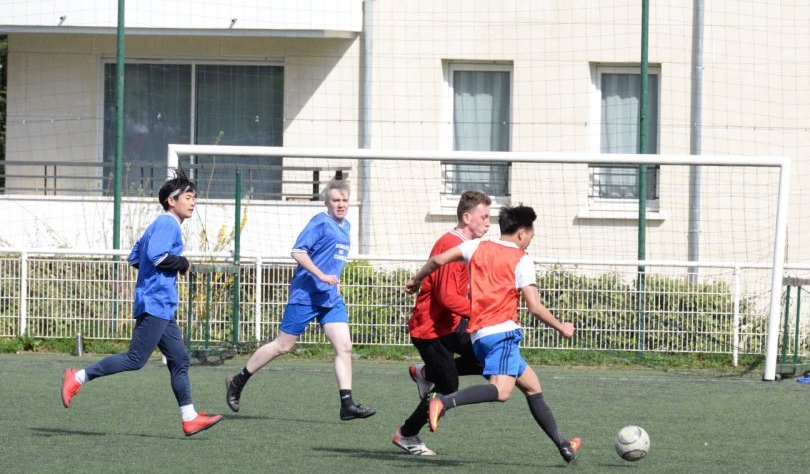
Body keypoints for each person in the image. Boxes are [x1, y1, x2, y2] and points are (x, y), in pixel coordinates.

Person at [403, 204, 581, 463]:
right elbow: (534, 307)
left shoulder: (477, 247)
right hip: (503, 334)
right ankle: (444, 402)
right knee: (501, 391)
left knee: (532, 387)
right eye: (531, 234)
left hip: (479, 335)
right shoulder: (522, 259)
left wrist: (416, 280)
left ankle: (564, 445)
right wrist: (562, 327)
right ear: (521, 233)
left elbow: (437, 261)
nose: (531, 239)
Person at [60, 169, 224, 436]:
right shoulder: (167, 224)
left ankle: (189, 416)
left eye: (195, 197)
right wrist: (182, 263)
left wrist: (156, 272)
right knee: (136, 359)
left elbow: (136, 258)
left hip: (161, 304)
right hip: (155, 303)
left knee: (180, 358)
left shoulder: (158, 225)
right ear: (172, 201)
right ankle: (77, 377)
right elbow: (158, 257)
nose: (193, 202)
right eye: (188, 197)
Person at [224, 179, 375, 421]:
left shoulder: (345, 226)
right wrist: (321, 275)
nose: (341, 204)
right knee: (283, 346)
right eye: (336, 200)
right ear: (327, 202)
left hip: (330, 298)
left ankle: (347, 404)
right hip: (306, 294)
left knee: (344, 346)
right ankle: (237, 381)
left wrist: (331, 280)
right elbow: (297, 251)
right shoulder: (320, 222)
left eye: (344, 200)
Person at [392, 190, 492, 456]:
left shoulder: (466, 245)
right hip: (430, 329)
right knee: (448, 388)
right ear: (467, 217)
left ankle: (426, 373)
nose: (488, 223)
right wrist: (482, 312)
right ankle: (407, 434)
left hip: (450, 323)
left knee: (485, 359)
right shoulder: (450, 244)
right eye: (484, 217)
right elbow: (447, 298)